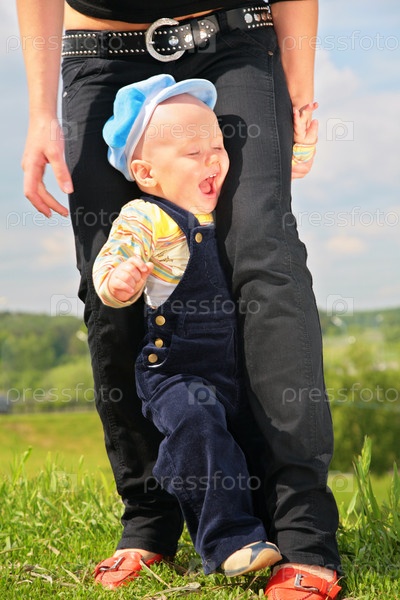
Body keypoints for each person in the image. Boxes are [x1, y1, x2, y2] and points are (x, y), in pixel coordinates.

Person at [16, 0, 342, 598]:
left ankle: (302, 531)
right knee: (110, 276)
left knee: (265, 257)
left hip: (234, 39)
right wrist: (41, 111)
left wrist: (300, 91)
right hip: (99, 55)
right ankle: (149, 518)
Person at [92, 73, 283, 582]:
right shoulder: (148, 216)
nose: (213, 161)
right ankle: (228, 541)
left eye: (217, 146)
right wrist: (120, 279)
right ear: (146, 173)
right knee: (197, 430)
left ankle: (269, 531)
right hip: (176, 372)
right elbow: (115, 257)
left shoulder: (232, 213)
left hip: (234, 371)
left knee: (248, 443)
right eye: (194, 153)